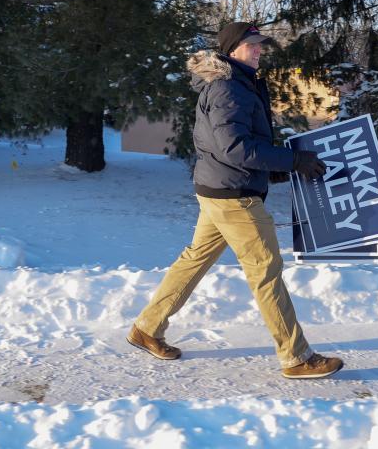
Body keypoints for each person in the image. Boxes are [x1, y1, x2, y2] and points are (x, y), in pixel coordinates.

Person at [128, 22, 343, 379]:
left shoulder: (236, 83)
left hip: (219, 187)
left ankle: (147, 328)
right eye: (252, 45)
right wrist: (291, 161)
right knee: (266, 271)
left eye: (261, 45)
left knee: (194, 260)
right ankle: (296, 357)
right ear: (232, 49)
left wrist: (270, 169)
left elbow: (232, 145)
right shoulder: (230, 88)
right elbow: (235, 147)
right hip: (233, 196)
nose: (259, 50)